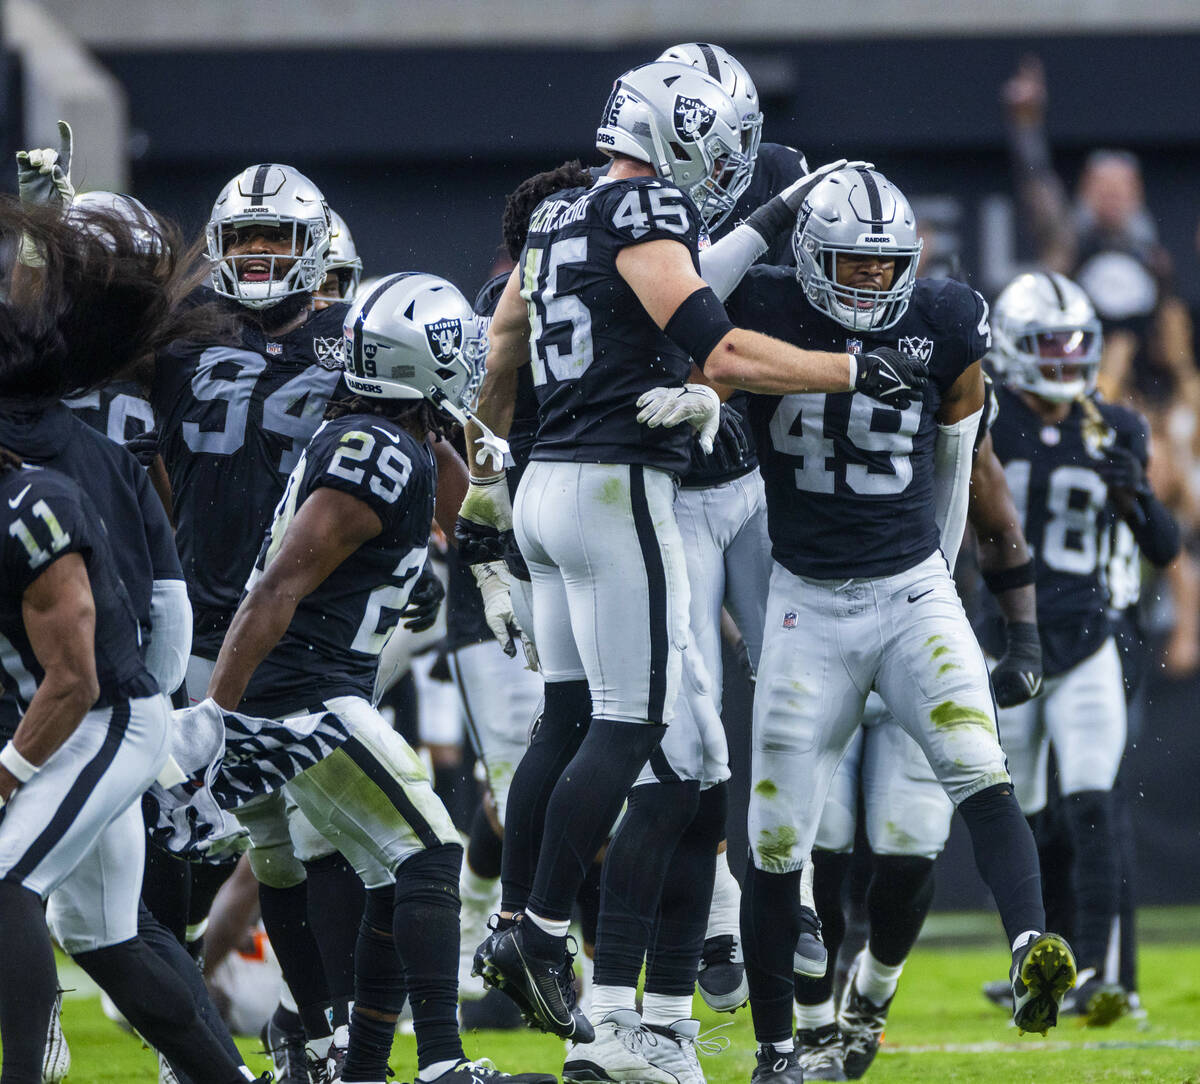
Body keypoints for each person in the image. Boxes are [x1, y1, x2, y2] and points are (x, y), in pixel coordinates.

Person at [458, 61, 926, 1047]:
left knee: (570, 719)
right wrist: (851, 368)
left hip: (543, 485)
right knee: (656, 746)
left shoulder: (557, 216)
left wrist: (489, 494)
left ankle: (534, 933)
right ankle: (551, 938)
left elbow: (499, 348)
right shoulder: (646, 209)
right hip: (620, 485)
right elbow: (719, 350)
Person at [724, 166, 1075, 1083]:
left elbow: (961, 457)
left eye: (886, 268)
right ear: (806, 255)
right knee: (777, 842)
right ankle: (779, 1048)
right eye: (852, 264)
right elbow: (699, 345)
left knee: (979, 769)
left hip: (910, 587)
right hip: (805, 601)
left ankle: (1032, 939)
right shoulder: (763, 305)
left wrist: (944, 574)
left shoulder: (947, 317)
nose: (871, 284)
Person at [203, 270, 551, 1084]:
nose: (469, 358)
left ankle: (348, 1065)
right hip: (304, 696)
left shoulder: (388, 438)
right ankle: (438, 1063)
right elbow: (277, 587)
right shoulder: (380, 454)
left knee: (365, 866)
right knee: (429, 853)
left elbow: (476, 510)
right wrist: (214, 713)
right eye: (454, 347)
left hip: (294, 689)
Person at [0, 199, 269, 1084]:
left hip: (93, 713)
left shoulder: (33, 485)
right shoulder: (84, 445)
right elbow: (167, 597)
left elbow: (82, 674)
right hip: (98, 706)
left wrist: (16, 766)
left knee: (5, 883)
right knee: (108, 937)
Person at [151, 162, 368, 1075]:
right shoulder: (177, 345)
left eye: (279, 239)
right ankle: (180, 1043)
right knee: (176, 847)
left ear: (315, 247)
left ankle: (322, 1027)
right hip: (198, 629)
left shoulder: (353, 339)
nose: (263, 257)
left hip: (301, 640)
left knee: (308, 845)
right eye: (245, 241)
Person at [791, 377, 1046, 1080]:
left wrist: (1023, 636)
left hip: (918, 638)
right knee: (820, 849)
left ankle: (869, 997)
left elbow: (993, 512)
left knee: (907, 855)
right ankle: (811, 1028)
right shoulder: (785, 373)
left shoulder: (944, 382)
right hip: (819, 635)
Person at [983, 269, 1179, 1025]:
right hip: (1008, 640)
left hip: (1091, 634)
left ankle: (1100, 970)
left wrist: (1139, 496)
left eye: (1074, 343)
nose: (1065, 357)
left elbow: (1166, 545)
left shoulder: (1114, 426)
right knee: (1029, 815)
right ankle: (1042, 963)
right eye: (1048, 343)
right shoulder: (987, 418)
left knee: (1094, 803)